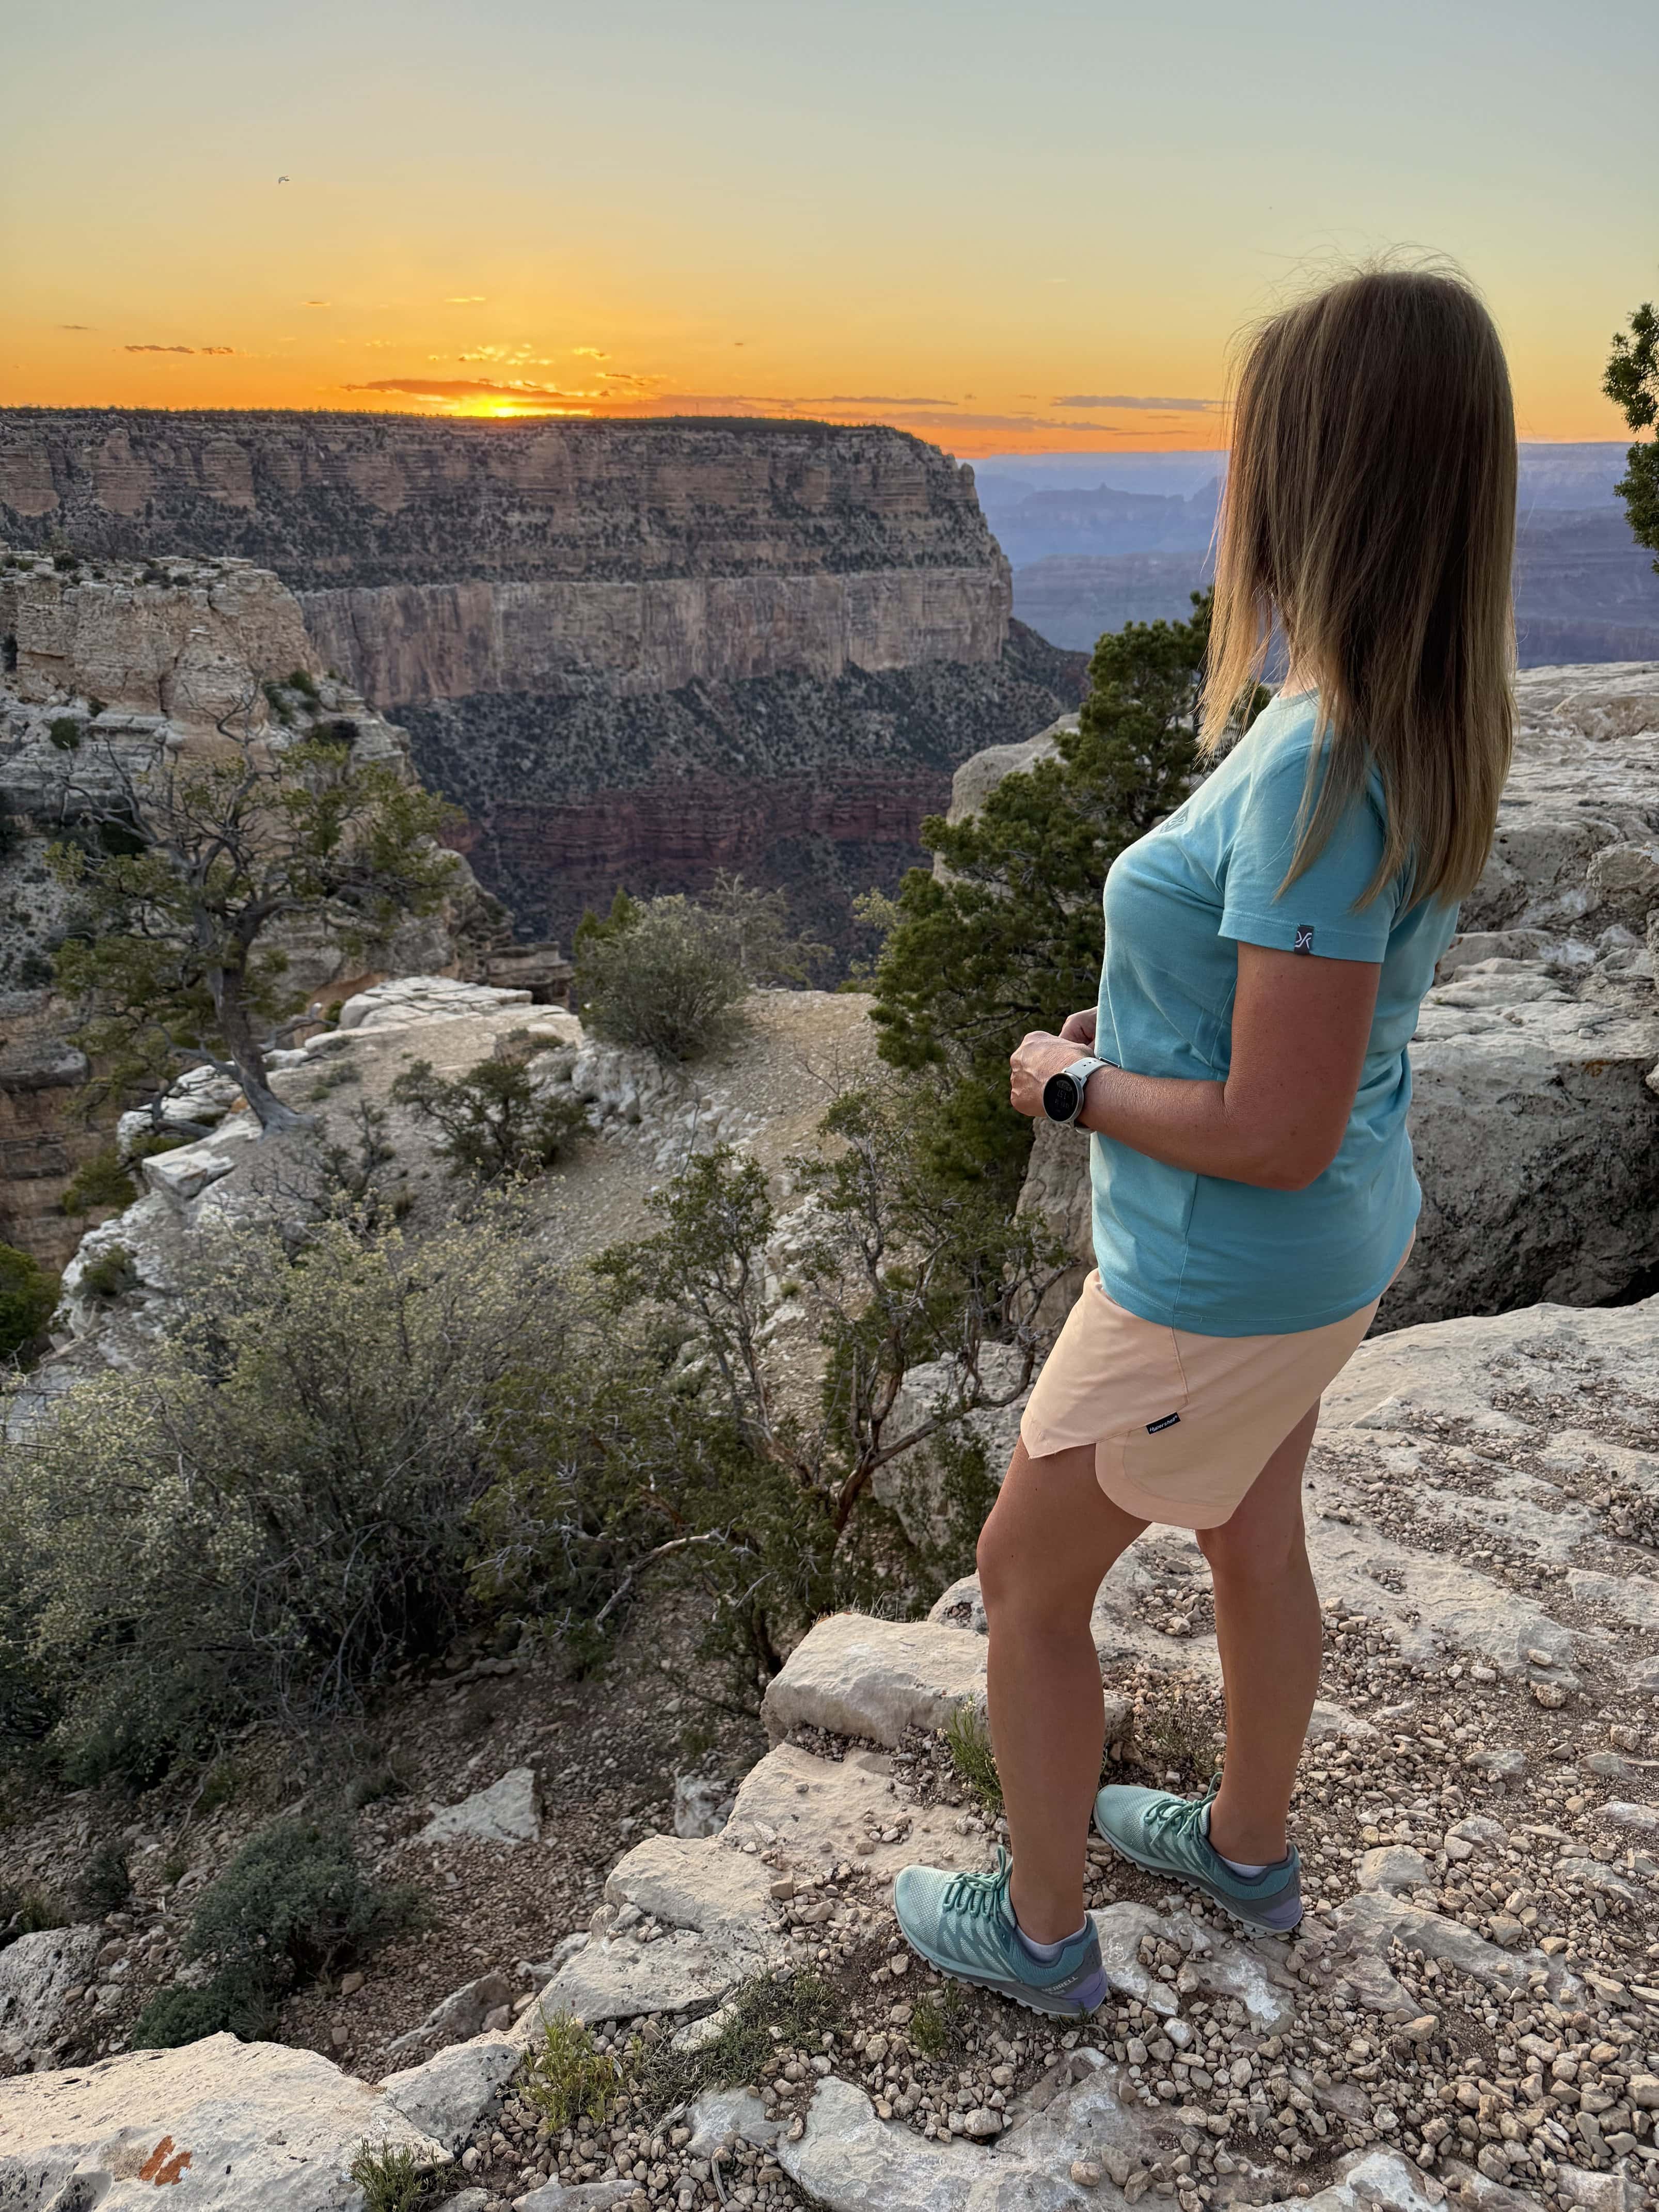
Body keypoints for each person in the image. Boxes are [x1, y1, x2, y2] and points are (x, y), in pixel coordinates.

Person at [893, 264, 1517, 2015]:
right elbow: (1307, 1014)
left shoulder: (1328, 763)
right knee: (1253, 1526)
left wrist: (1067, 1086)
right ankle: (1246, 1847)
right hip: (1329, 1251)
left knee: (1022, 1580)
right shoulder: (1410, 718)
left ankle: (1036, 1936)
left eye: (1261, 449)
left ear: (1322, 478)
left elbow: (1272, 1121)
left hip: (1217, 1272)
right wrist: (1145, 1027)